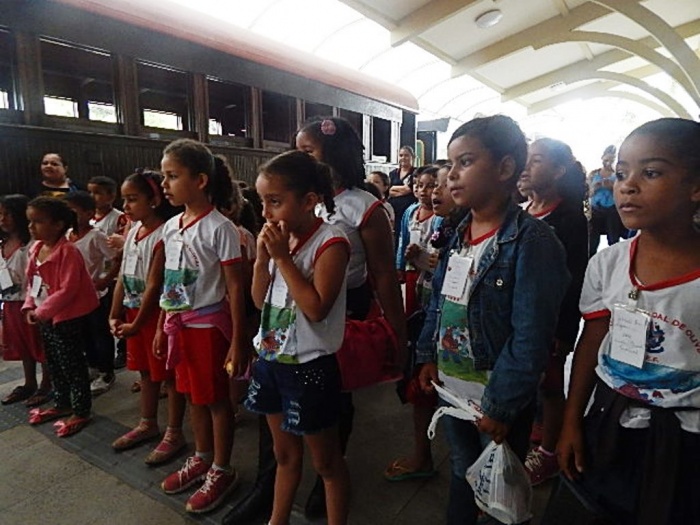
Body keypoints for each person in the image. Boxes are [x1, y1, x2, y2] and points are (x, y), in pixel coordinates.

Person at [416, 115, 569, 525]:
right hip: (452, 389)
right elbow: (439, 301)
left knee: (500, 492)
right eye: (450, 164)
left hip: (496, 400)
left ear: (504, 168)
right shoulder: (458, 233)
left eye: (465, 162)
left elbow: (531, 336)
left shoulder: (532, 242)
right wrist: (428, 353)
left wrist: (502, 405)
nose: (451, 175)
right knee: (462, 469)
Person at [557, 118, 700, 524]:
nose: (627, 186)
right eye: (621, 174)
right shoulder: (608, 263)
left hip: (688, 440)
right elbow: (591, 341)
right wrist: (571, 421)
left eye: (650, 173)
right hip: (610, 422)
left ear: (696, 187)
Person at [296, 116, 407, 518]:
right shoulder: (299, 197)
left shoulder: (364, 206)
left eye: (307, 151)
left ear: (334, 152)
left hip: (345, 308)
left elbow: (383, 275)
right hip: (299, 305)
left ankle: (329, 471)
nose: (300, 159)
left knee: (336, 393)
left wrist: (398, 334)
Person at [246, 150, 351, 525]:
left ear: (309, 201)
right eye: (262, 202)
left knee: (326, 463)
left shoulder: (331, 242)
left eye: (274, 201)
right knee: (284, 454)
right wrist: (263, 260)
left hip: (310, 368)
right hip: (272, 361)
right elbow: (259, 301)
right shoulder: (280, 241)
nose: (265, 213)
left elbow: (316, 308)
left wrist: (282, 259)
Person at [156, 139, 247, 514]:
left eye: (172, 176)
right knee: (192, 394)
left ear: (200, 180)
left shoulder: (220, 228)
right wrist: (162, 325)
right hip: (179, 325)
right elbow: (169, 283)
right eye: (164, 176)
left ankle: (222, 469)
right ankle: (202, 456)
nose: (164, 184)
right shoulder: (171, 227)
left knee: (216, 401)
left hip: (208, 327)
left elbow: (235, 287)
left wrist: (239, 339)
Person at [385, 163, 463, 482]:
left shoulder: (462, 233)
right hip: (431, 318)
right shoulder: (444, 229)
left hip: (459, 343)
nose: (434, 192)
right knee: (422, 388)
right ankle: (424, 455)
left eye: (442, 185)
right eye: (433, 185)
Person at [518, 138, 589, 485]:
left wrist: (564, 331)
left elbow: (575, 279)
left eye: (537, 160)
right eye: (526, 158)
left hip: (550, 320)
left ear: (559, 170)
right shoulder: (520, 210)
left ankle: (548, 453)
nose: (526, 166)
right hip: (519, 316)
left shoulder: (570, 218)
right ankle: (533, 428)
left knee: (549, 385)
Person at [108, 169, 187, 464]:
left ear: (153, 200)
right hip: (133, 313)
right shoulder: (132, 232)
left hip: (154, 316)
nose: (126, 206)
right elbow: (122, 275)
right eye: (124, 200)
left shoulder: (164, 235)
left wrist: (138, 323)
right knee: (144, 371)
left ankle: (174, 432)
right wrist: (114, 314)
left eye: (132, 199)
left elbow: (155, 285)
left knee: (169, 376)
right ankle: (147, 422)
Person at [22, 197, 99, 437]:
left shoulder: (68, 252)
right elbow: (32, 282)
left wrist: (41, 312)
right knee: (54, 361)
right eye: (30, 221)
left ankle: (81, 410)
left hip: (66, 317)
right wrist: (29, 306)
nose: (31, 227)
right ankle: (62, 402)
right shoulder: (36, 249)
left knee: (73, 365)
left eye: (38, 221)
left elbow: (68, 290)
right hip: (46, 317)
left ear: (58, 224)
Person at [63, 191, 120, 396]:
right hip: (75, 296)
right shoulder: (67, 235)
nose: (69, 216)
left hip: (95, 295)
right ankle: (93, 366)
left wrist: (105, 279)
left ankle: (106, 372)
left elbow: (116, 258)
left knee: (100, 334)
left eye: (74, 211)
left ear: (89, 213)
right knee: (84, 333)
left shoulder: (96, 236)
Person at [0, 194, 51, 407]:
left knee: (39, 343)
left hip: (31, 302)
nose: (2, 219)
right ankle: (29, 382)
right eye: (0, 214)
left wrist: (35, 303)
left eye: (8, 214)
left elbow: (38, 275)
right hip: (10, 302)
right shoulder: (3, 242)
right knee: (21, 344)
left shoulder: (32, 244)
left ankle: (47, 384)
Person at [396, 166, 437, 317]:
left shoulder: (439, 216)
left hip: (430, 272)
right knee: (411, 305)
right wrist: (400, 265)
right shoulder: (411, 211)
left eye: (430, 186)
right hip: (411, 268)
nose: (423, 190)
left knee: (428, 306)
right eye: (419, 185)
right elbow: (403, 239)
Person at [588, 144, 625, 255]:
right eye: (606, 160)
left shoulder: (618, 176)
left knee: (613, 239)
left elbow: (624, 194)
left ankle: (614, 259)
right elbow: (585, 196)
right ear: (602, 158)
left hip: (612, 211)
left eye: (611, 161)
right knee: (592, 241)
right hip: (595, 211)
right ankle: (590, 260)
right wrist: (594, 188)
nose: (608, 163)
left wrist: (612, 188)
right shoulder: (593, 174)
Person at [387, 145, 417, 243]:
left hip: (408, 211)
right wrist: (402, 190)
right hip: (394, 211)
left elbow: (409, 189)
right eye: (401, 155)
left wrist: (394, 189)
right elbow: (389, 191)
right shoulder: (393, 173)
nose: (403, 158)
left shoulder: (415, 173)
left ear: (412, 157)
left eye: (406, 155)